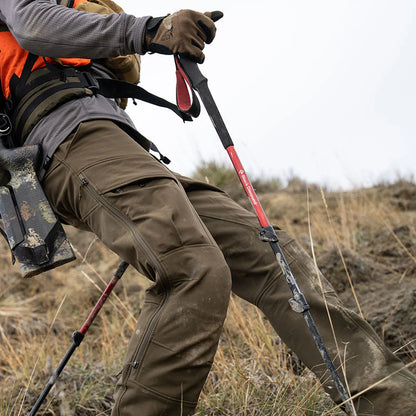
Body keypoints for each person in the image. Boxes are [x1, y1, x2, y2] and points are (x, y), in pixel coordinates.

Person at [0, 1, 415, 415]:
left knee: (272, 255)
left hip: (112, 143)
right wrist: (150, 31)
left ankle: (393, 404)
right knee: (192, 267)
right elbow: (33, 26)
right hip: (70, 144)